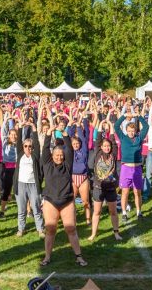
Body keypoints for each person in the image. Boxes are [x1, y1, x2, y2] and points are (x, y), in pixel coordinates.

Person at [39, 103, 87, 267]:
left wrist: (66, 135)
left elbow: (69, 151)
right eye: (56, 155)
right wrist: (49, 132)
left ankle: (78, 255)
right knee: (50, 229)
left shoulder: (68, 165)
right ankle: (47, 257)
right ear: (52, 156)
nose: (59, 157)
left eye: (61, 155)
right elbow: (45, 147)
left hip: (67, 200)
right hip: (51, 200)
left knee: (71, 229)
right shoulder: (46, 162)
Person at [114, 108, 149, 222]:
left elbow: (146, 127)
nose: (131, 132)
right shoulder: (123, 137)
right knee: (125, 191)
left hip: (137, 168)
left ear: (135, 131)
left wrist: (139, 116)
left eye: (133, 131)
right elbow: (116, 126)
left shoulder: (139, 138)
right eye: (129, 130)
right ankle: (124, 213)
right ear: (126, 130)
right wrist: (125, 116)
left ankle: (139, 212)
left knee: (137, 192)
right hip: (126, 168)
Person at [87, 138, 122, 241]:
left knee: (113, 211)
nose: (107, 147)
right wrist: (101, 124)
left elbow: (114, 143)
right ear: (101, 147)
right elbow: (97, 141)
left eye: (108, 146)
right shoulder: (98, 154)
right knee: (97, 211)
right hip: (99, 187)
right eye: (105, 146)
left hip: (111, 188)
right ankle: (93, 233)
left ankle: (116, 233)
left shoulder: (113, 155)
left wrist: (110, 126)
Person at [13, 123, 44, 237]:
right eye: (25, 146)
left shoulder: (35, 155)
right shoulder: (20, 154)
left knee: (36, 208)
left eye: (30, 146)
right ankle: (21, 229)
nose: (28, 148)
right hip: (21, 184)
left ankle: (40, 229)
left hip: (33, 185)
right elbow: (18, 143)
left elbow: (36, 143)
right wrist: (20, 127)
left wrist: (34, 128)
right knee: (21, 209)